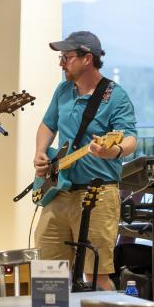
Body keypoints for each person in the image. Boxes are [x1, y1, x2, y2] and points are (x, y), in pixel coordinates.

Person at [33, 31, 137, 291]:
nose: (61, 63)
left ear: (87, 58)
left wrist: (112, 151)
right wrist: (40, 152)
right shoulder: (63, 90)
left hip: (97, 194)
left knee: (98, 275)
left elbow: (130, 139)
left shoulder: (115, 95)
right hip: (57, 193)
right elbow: (47, 125)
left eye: (67, 57)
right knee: (49, 275)